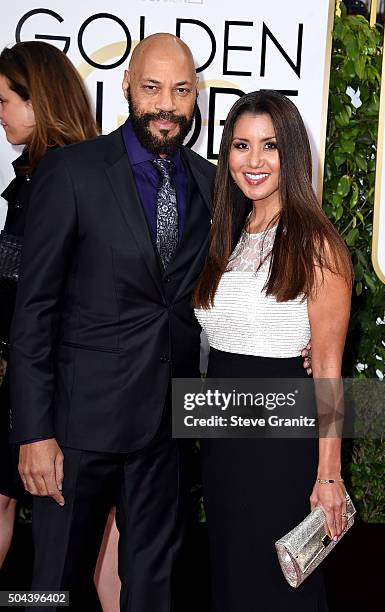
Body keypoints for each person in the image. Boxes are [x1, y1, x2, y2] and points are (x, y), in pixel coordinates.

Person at [8, 33, 215, 611]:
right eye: (152, 88)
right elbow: (34, 312)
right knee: (48, 584)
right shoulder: (73, 171)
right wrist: (33, 432)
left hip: (163, 437)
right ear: (127, 85)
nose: (166, 105)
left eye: (180, 90)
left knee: (154, 587)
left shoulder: (209, 182)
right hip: (77, 431)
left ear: (195, 95)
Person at [193, 90, 353, 611]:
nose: (254, 161)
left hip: (281, 444)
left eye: (270, 146)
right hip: (223, 442)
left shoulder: (317, 243)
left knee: (281, 587)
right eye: (241, 145)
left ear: (293, 154)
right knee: (232, 578)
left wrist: (328, 476)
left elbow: (327, 370)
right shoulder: (230, 234)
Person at [0, 41, 98, 569]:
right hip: (39, 382)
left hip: (47, 386)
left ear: (37, 102)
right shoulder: (41, 180)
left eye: (4, 102)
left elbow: (35, 300)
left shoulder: (56, 182)